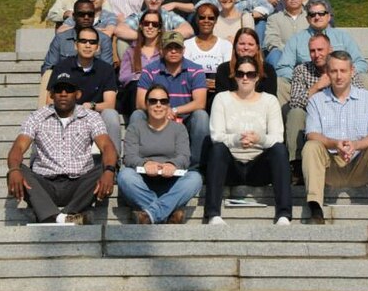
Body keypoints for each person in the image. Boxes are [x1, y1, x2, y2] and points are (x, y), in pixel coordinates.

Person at [6, 75, 117, 224]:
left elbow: (107, 146)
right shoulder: (37, 117)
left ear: (78, 94)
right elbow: (18, 147)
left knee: (106, 168)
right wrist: (14, 170)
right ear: (51, 94)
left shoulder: (91, 117)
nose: (63, 93)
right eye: (58, 90)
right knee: (16, 170)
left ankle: (53, 217)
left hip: (79, 185)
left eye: (69, 90)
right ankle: (64, 218)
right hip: (45, 184)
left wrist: (109, 171)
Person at [303, 50, 368, 226]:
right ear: (327, 72)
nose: (339, 76)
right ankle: (315, 208)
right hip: (330, 166)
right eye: (334, 71)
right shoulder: (316, 100)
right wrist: (334, 144)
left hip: (360, 166)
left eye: (343, 71)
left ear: (352, 71)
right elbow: (311, 133)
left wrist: (356, 145)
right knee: (311, 146)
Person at [204, 56, 292, 226]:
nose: (245, 78)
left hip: (258, 166)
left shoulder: (270, 101)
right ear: (234, 76)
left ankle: (284, 214)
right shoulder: (222, 98)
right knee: (217, 149)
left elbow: (277, 137)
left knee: (279, 150)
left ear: (257, 77)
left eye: (250, 74)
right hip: (231, 165)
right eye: (241, 73)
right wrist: (237, 139)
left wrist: (259, 139)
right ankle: (213, 213)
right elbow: (216, 135)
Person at [285, 33, 368, 183]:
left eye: (320, 49)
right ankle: (297, 164)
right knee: (295, 113)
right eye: (312, 51)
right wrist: (317, 86)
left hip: (342, 111)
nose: (316, 54)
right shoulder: (302, 70)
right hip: (313, 116)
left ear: (330, 49)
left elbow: (360, 97)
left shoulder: (342, 66)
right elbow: (294, 102)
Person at [117, 83, 203, 224]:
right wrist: (145, 164)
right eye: (153, 101)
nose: (158, 105)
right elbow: (129, 157)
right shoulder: (134, 128)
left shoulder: (179, 129)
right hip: (142, 183)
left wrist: (172, 164)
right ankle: (168, 211)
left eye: (163, 101)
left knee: (195, 178)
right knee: (125, 176)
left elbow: (184, 157)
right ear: (146, 104)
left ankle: (150, 213)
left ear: (168, 105)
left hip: (172, 184)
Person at [134, 31, 209, 170]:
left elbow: (200, 103)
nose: (173, 51)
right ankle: (137, 163)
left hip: (185, 121)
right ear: (161, 50)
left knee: (201, 117)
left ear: (183, 50)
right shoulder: (150, 70)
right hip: (155, 119)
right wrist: (162, 111)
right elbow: (140, 102)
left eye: (177, 47)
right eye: (169, 47)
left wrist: (173, 110)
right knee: (137, 114)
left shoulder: (196, 70)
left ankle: (195, 167)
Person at [46, 26, 122, 155]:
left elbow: (110, 104)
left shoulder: (106, 69)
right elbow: (50, 100)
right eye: (83, 41)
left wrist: (91, 106)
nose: (88, 45)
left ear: (98, 47)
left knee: (111, 115)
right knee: (44, 116)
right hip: (67, 114)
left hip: (96, 116)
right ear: (76, 45)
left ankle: (114, 162)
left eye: (92, 42)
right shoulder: (61, 67)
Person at [276, 0, 368, 98]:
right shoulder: (296, 39)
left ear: (328, 17)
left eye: (321, 13)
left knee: (365, 78)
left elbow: (360, 63)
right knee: (280, 82)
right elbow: (283, 68)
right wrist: (302, 79)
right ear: (307, 19)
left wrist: (342, 75)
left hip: (340, 83)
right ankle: (291, 113)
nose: (317, 17)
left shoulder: (343, 37)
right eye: (312, 14)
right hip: (307, 84)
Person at [40, 0, 114, 75]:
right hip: (66, 83)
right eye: (81, 14)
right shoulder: (61, 38)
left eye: (90, 14)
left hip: (93, 82)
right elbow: (47, 68)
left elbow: (107, 70)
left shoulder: (104, 39)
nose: (86, 17)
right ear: (74, 16)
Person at [114, 0, 193, 47]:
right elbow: (119, 30)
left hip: (165, 55)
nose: (153, 0)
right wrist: (145, 37)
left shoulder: (169, 16)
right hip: (142, 56)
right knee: (121, 42)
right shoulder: (138, 16)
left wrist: (159, 36)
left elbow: (188, 30)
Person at [184, 2, 232, 111]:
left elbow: (228, 73)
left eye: (211, 18)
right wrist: (200, 84)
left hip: (218, 94)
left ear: (215, 21)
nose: (206, 21)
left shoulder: (226, 45)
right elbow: (185, 72)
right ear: (196, 20)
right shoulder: (187, 45)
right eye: (202, 17)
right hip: (192, 94)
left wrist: (217, 83)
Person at [117, 10, 163, 117]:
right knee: (135, 85)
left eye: (155, 24)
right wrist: (141, 77)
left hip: (159, 91)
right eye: (146, 23)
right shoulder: (131, 50)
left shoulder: (165, 52)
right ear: (141, 26)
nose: (150, 27)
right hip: (135, 92)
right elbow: (123, 77)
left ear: (159, 28)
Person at [215, 27, 277, 97]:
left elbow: (271, 99)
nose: (246, 47)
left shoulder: (268, 70)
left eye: (250, 44)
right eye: (242, 44)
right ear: (235, 46)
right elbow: (221, 99)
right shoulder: (223, 69)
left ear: (257, 48)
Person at [264, 0, 309, 68]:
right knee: (274, 54)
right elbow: (272, 41)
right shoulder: (274, 18)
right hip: (282, 56)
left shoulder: (310, 17)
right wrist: (290, 52)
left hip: (306, 56)